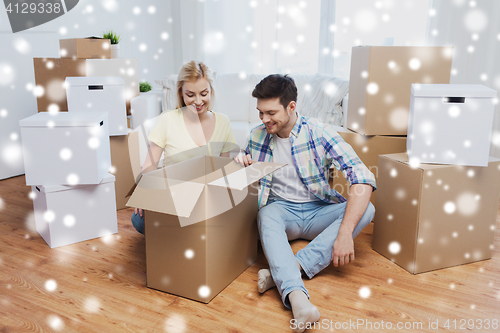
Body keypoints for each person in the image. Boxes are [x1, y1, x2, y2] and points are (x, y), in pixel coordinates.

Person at [235, 74, 376, 333]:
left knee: (367, 208)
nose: (264, 119)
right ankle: (299, 301)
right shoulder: (256, 136)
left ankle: (290, 268)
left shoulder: (318, 132)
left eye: (270, 112)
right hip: (281, 210)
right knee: (266, 216)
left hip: (317, 210)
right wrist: (241, 163)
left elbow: (362, 177)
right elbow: (245, 176)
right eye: (260, 112)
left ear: (291, 106)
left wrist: (345, 233)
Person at [131, 61, 237, 234]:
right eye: (190, 94)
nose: (197, 101)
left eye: (204, 93)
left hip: (206, 196)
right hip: (173, 195)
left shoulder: (223, 121)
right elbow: (150, 165)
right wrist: (144, 195)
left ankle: (186, 231)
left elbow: (224, 168)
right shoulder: (167, 120)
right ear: (181, 92)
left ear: (211, 91)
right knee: (139, 220)